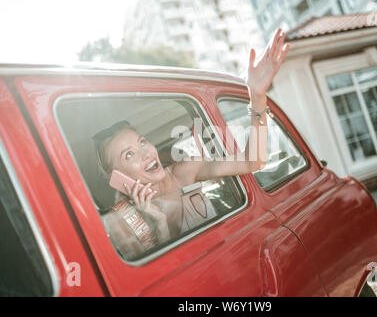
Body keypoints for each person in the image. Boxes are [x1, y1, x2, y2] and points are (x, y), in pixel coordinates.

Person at [93, 29, 290, 261]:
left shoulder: (184, 172)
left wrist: (256, 95)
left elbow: (253, 160)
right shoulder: (123, 223)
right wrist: (160, 225)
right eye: (129, 155)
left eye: (142, 142)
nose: (145, 153)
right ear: (116, 177)